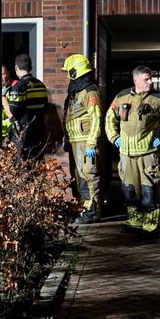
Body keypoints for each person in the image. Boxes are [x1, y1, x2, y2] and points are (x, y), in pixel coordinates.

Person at [104, 65, 160, 236]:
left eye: (151, 78)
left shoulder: (159, 99)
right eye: (146, 79)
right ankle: (135, 221)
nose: (150, 81)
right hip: (126, 154)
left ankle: (150, 226)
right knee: (129, 190)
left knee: (150, 191)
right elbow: (110, 118)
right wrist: (114, 137)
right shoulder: (121, 97)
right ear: (136, 80)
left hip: (148, 153)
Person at [62, 54, 102, 223]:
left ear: (74, 71)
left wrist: (92, 142)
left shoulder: (90, 91)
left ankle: (93, 211)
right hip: (75, 140)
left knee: (89, 175)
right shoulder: (75, 91)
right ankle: (84, 207)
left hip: (86, 141)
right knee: (78, 176)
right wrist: (66, 138)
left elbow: (96, 117)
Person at [5, 53, 49, 161]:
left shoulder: (18, 87)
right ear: (31, 67)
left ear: (16, 68)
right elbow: (45, 108)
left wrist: (4, 97)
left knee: (22, 164)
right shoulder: (40, 84)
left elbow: (13, 111)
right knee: (37, 162)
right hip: (39, 130)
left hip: (24, 132)